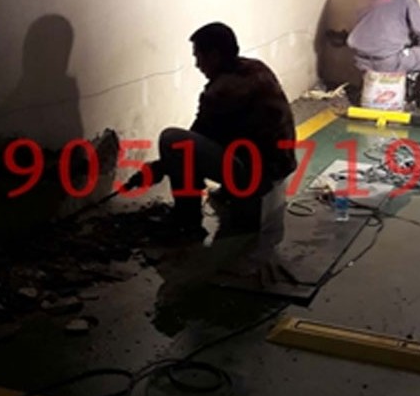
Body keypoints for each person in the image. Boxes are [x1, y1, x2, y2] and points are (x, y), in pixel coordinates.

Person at [126, 22, 297, 238]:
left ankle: (187, 221)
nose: (197, 64)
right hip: (280, 164)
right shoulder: (255, 68)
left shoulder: (223, 91)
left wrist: (157, 168)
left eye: (199, 57)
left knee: (171, 139)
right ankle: (227, 193)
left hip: (258, 176)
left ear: (214, 56)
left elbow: (191, 142)